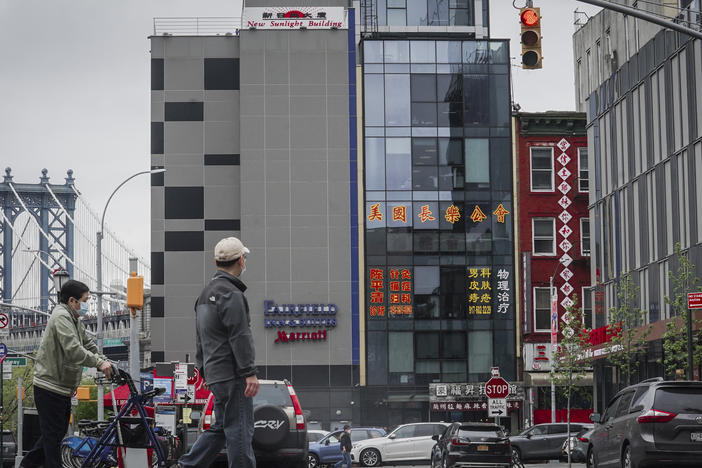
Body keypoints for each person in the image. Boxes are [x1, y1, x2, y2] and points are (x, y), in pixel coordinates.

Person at [177, 236, 259, 468]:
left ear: (215, 262)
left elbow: (201, 338)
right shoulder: (232, 294)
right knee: (240, 432)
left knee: (221, 427)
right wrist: (249, 372)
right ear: (241, 261)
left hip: (215, 374)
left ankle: (187, 465)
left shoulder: (205, 294)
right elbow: (240, 335)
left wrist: (203, 371)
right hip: (233, 375)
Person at [21, 280, 113, 468]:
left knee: (54, 433)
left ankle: (27, 465)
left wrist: (104, 360)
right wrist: (98, 363)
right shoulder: (61, 317)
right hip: (49, 386)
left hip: (61, 388)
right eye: (85, 300)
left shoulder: (74, 319)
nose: (87, 305)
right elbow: (73, 349)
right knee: (53, 437)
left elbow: (87, 344)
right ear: (72, 301)